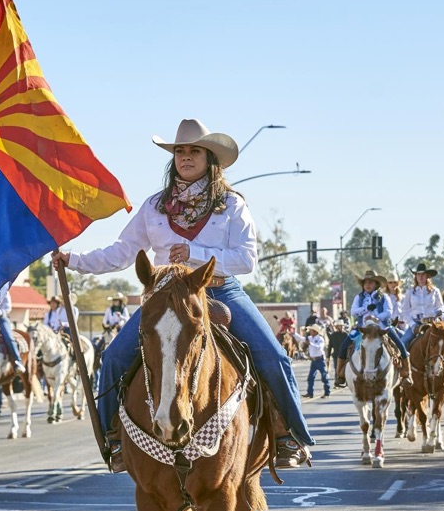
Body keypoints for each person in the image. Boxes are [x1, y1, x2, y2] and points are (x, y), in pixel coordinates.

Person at [51, 118, 314, 472]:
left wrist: (192, 252)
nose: (185, 157)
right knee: (113, 358)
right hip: (164, 294)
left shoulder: (232, 204)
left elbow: (246, 260)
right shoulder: (154, 207)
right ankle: (115, 440)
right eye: (179, 151)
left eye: (193, 151)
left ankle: (290, 437)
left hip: (219, 289)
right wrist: (74, 261)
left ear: (210, 158)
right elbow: (121, 252)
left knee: (273, 355)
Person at [335, 270, 411, 387]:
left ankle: (407, 374)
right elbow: (354, 312)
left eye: (371, 282)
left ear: (376, 284)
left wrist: (376, 317)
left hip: (382, 327)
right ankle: (339, 375)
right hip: (362, 328)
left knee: (400, 344)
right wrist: (366, 308)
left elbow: (389, 312)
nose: (368, 285)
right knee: (344, 346)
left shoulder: (384, 297)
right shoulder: (358, 298)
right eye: (365, 282)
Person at [292, 324, 330, 398]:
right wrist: (294, 333)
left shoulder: (320, 339)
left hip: (320, 360)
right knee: (310, 377)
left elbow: (320, 347)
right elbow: (301, 338)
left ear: (315, 332)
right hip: (314, 360)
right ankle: (310, 393)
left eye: (311, 330)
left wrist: (310, 344)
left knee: (324, 377)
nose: (310, 332)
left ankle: (327, 392)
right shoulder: (309, 338)